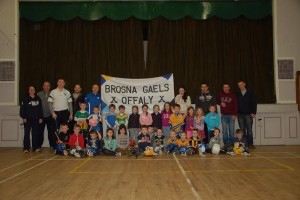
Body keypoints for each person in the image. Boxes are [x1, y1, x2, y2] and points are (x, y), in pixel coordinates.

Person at [20, 86, 43, 153]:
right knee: (26, 134)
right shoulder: (24, 98)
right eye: (30, 89)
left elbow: (40, 109)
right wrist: (23, 117)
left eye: (33, 89)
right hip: (27, 119)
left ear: (35, 90)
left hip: (36, 119)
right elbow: (22, 109)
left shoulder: (38, 98)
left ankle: (35, 147)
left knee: (35, 133)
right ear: (28, 90)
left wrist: (40, 117)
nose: (31, 90)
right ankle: (26, 148)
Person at [237, 80, 257, 149]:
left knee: (249, 130)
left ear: (244, 84)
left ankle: (250, 144)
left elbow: (254, 103)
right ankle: (244, 144)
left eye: (241, 84)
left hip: (248, 114)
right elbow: (236, 104)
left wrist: (254, 112)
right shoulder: (237, 93)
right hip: (240, 115)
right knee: (242, 130)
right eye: (239, 85)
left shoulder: (250, 93)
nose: (240, 86)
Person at [37, 81, 55, 149]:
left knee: (51, 132)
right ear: (43, 86)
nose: (46, 87)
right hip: (41, 117)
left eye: (48, 86)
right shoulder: (38, 94)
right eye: (45, 85)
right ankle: (38, 146)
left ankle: (52, 145)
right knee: (40, 132)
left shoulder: (53, 93)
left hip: (51, 116)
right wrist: (39, 116)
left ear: (50, 87)